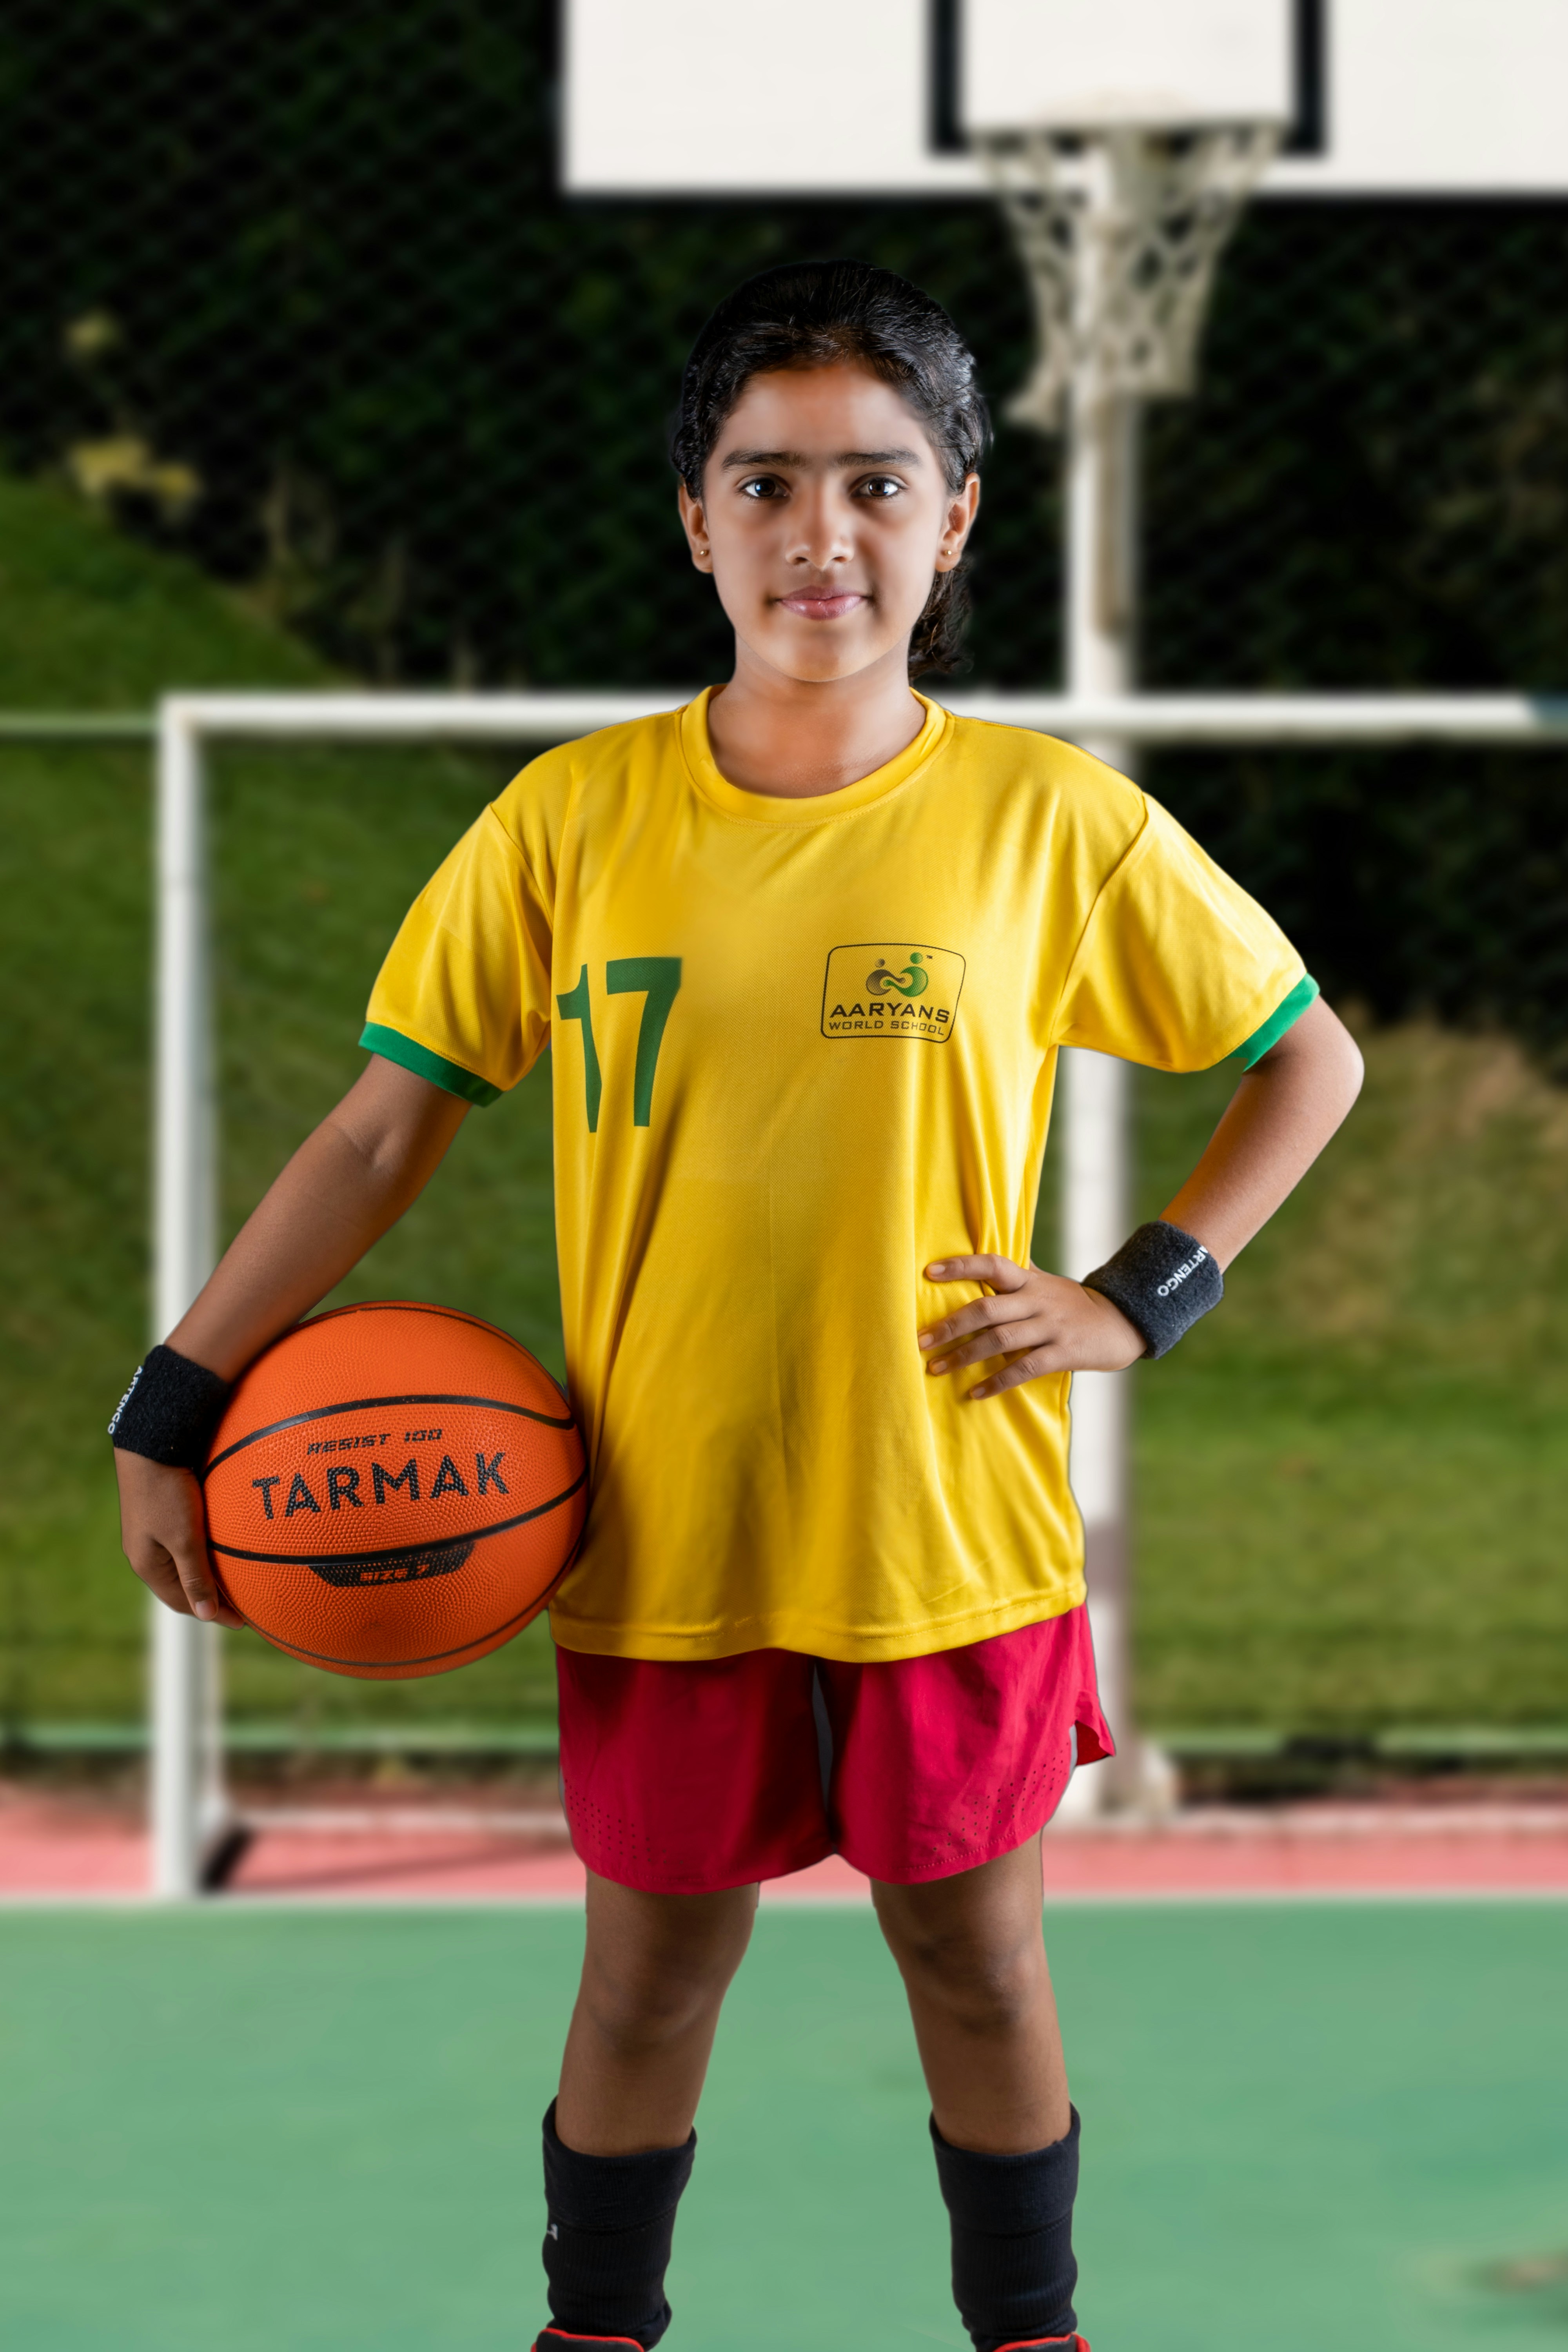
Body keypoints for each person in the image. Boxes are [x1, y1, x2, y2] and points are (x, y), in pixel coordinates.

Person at [111, 261, 1364, 2352]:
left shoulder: (1047, 820)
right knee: (646, 1975)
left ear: (958, 517)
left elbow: (1306, 1059)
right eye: (765, 482)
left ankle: (1033, 2336)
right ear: (694, 518)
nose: (820, 534)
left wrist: (1141, 1298)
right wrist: (178, 1396)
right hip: (655, 1518)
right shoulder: (572, 819)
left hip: (941, 1521)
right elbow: (377, 1134)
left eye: (878, 481)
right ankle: (594, 2332)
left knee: (975, 1957)